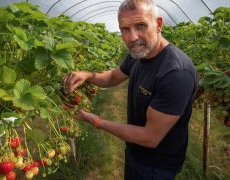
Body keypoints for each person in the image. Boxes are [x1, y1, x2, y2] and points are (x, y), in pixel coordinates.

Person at [62, 0, 198, 179]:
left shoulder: (175, 73)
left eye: (140, 25)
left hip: (156, 166)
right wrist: (89, 75)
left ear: (158, 24)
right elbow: (112, 77)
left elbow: (150, 137)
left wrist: (96, 121)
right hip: (135, 151)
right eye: (125, 29)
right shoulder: (139, 53)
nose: (132, 37)